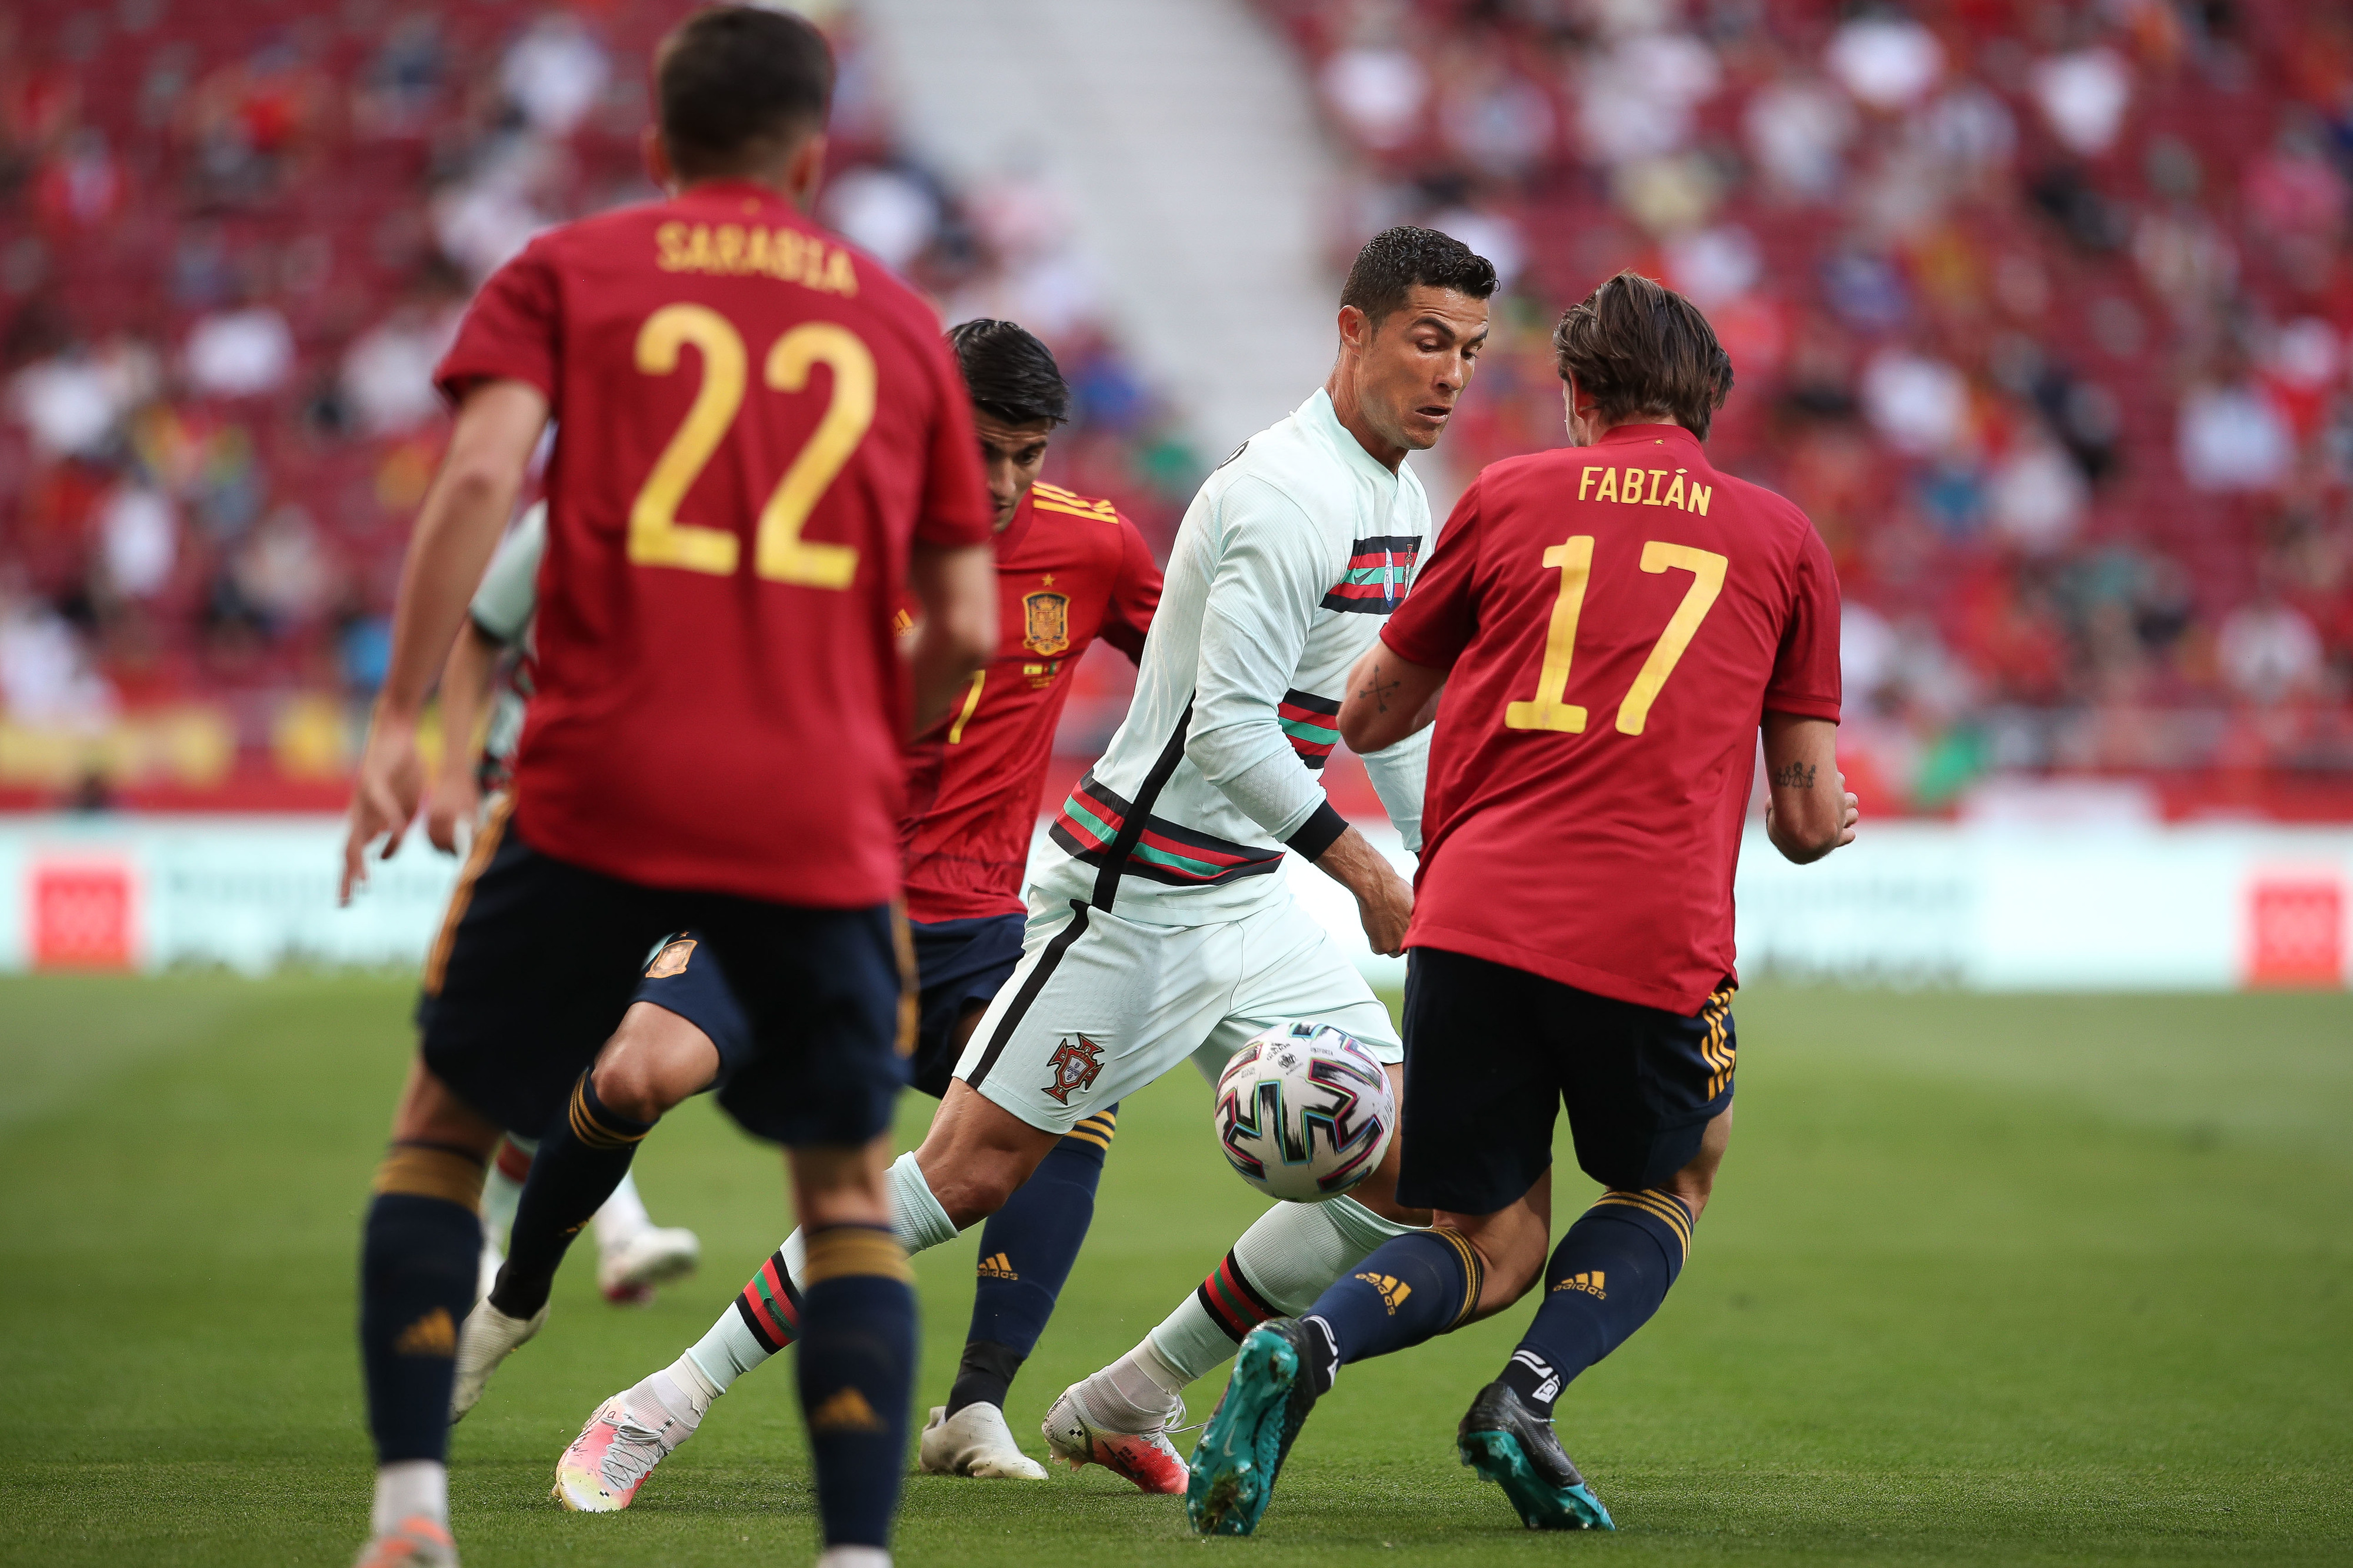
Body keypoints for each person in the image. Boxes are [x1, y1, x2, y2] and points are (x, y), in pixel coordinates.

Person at [582, 224, 1498, 1506]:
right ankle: (656, 1402)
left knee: (1419, 1165)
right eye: (1424, 340)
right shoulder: (1284, 497)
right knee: (963, 1174)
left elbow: (1376, 717)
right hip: (1128, 903)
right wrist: (1363, 869)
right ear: (1350, 333)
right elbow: (1228, 729)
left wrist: (1444, 859)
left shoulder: (1398, 498)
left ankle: (1129, 1392)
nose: (1451, 373)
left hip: (1248, 897)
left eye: (1467, 349)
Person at [337, 11, 997, 1568]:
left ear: (656, 147)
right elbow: (964, 624)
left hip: (591, 785)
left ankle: (411, 1515)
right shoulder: (901, 325)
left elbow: (487, 478)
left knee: (441, 1129)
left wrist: (398, 720)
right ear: (815, 158)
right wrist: (855, 735)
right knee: (843, 1192)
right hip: (808, 814)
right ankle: (853, 1555)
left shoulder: (569, 268)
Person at [1184, 271, 1858, 1537]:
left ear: (1575, 395)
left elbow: (1369, 711)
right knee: (1668, 1181)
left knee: (1479, 1234)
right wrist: (1828, 815)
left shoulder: (1505, 499)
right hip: (1649, 934)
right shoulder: (1780, 539)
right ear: (1708, 400)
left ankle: (1304, 1349)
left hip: (1472, 916)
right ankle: (1526, 1400)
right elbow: (1808, 821)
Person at [447, 319, 1162, 1502]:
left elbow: (1197, 679)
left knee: (1076, 1102)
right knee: (632, 1076)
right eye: (981, 448)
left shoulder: (1094, 549)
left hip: (971, 932)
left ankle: (975, 1401)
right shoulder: (818, 528)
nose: (1000, 483)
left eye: (1027, 455)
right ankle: (514, 1297)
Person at [426, 499, 704, 1310]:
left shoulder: (717, 518)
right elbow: (481, 630)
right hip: (530, 791)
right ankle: (613, 1230)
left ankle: (494, 1229)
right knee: (555, 1023)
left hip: (642, 804)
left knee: (588, 1028)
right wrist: (448, 772)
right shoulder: (564, 517)